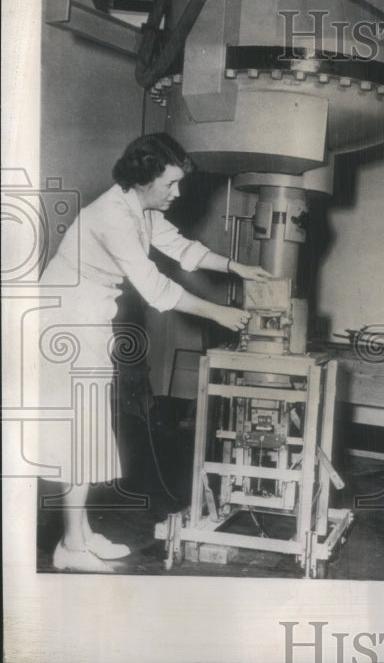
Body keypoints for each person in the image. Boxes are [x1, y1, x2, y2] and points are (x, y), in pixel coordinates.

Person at [35, 133, 270, 572]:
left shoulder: (136, 207)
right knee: (79, 434)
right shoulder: (112, 217)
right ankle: (71, 546)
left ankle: (80, 535)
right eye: (170, 184)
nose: (176, 193)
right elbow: (157, 288)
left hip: (85, 319)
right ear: (144, 180)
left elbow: (181, 248)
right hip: (62, 324)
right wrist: (219, 314)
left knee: (88, 430)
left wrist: (238, 267)